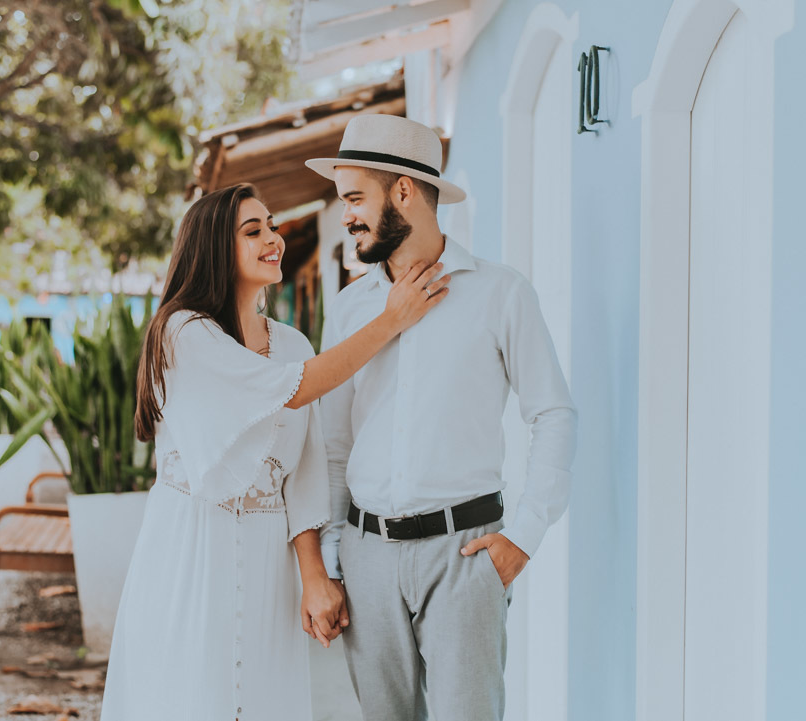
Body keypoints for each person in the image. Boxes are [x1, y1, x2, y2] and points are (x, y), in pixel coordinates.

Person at [99, 183, 449, 721]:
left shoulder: (292, 346)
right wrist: (392, 319)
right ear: (215, 248)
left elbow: (303, 471)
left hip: (269, 559)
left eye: (272, 226)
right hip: (193, 549)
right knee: (189, 698)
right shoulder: (182, 332)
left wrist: (315, 576)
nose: (274, 239)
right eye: (253, 230)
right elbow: (297, 388)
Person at [307, 114, 578, 720]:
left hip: (465, 556)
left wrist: (523, 538)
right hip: (367, 558)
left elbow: (554, 413)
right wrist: (333, 556)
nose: (346, 216)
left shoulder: (501, 293)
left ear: (403, 191)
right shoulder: (350, 309)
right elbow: (334, 443)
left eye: (355, 198)